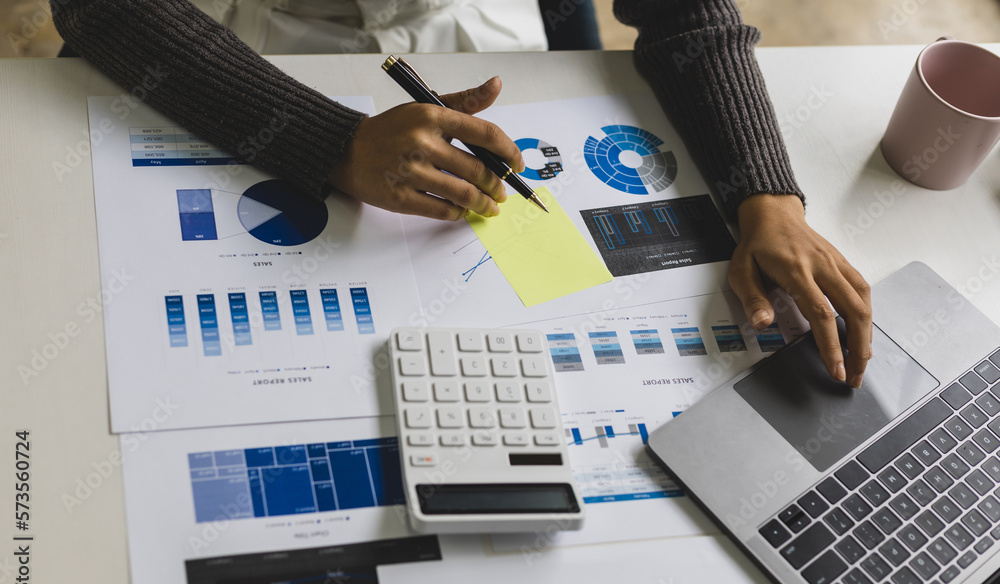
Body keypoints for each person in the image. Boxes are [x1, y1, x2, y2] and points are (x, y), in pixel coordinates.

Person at [50, 0, 872, 388]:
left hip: (481, 27)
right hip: (246, 52)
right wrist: (328, 140)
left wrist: (763, 191)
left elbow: (684, 9)